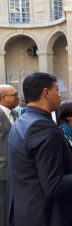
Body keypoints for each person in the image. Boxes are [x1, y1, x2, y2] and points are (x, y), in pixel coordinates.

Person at [7, 72, 72, 226]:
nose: (60, 95)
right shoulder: (42, 127)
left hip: (25, 210)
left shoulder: (22, 120)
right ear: (46, 93)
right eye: (57, 90)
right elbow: (53, 185)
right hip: (45, 214)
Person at [0, 84, 19, 226]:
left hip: (16, 168)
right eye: (14, 95)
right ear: (3, 97)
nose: (18, 97)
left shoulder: (15, 113)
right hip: (2, 170)